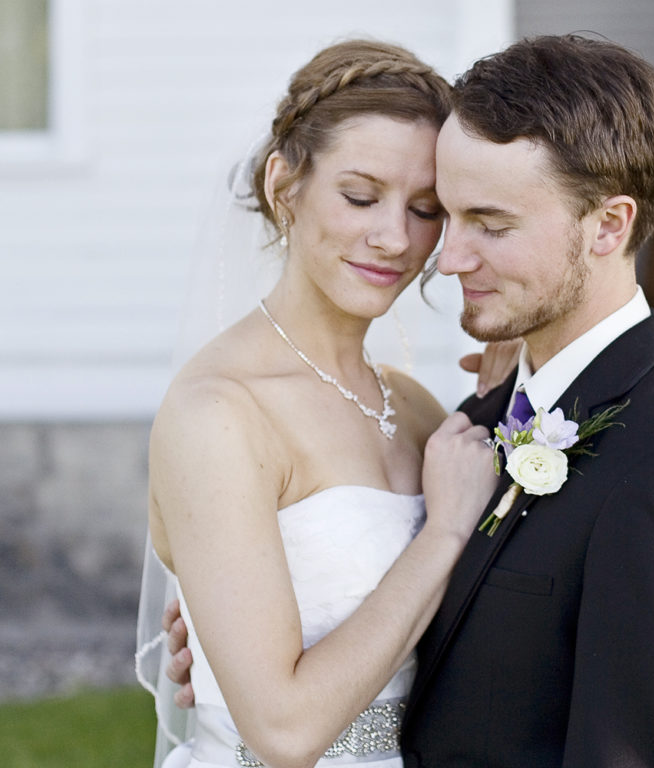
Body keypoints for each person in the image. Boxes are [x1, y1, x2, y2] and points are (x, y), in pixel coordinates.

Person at [164, 34, 654, 767]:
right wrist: (224, 626)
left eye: (478, 220)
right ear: (281, 185)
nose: (435, 254)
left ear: (610, 226)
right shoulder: (474, 422)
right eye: (363, 196)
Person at [136, 38, 508, 768]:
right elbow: (283, 733)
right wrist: (444, 537)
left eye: (426, 209)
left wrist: (513, 397)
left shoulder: (420, 409)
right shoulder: (220, 413)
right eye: (361, 196)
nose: (394, 237)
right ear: (284, 185)